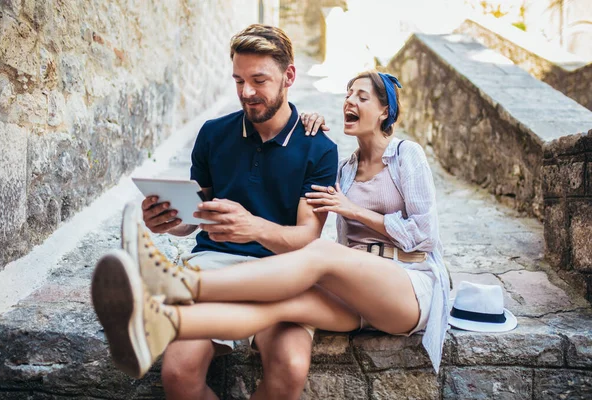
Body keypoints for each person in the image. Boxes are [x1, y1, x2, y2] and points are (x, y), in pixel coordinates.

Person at [91, 70, 452, 389]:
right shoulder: (344, 169)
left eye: (361, 96)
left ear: (385, 111)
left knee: (320, 253)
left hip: (407, 280)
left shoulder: (407, 155)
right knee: (278, 305)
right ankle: (162, 321)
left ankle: (170, 280)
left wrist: (355, 210)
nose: (349, 102)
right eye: (347, 95)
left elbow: (425, 235)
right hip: (356, 296)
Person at [119, 24, 338, 400]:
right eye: (239, 80)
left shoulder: (319, 149)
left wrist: (251, 227)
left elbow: (307, 238)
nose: (247, 93)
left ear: (289, 76)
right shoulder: (212, 134)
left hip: (283, 272)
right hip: (212, 264)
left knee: (290, 368)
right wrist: (169, 222)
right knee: (178, 373)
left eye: (258, 80)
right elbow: (196, 216)